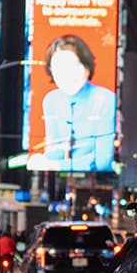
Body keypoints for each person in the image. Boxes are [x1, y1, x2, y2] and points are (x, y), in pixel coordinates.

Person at [32, 34, 115, 173]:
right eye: (58, 68)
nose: (66, 74)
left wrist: (57, 165)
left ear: (87, 67)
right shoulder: (51, 100)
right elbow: (54, 151)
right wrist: (42, 161)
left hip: (98, 181)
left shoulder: (106, 99)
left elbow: (103, 161)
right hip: (63, 180)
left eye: (73, 66)